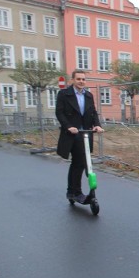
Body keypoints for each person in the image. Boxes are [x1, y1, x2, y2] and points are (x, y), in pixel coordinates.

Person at [55, 70, 103, 201]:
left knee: (79, 163)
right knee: (79, 163)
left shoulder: (88, 95)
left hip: (85, 134)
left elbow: (93, 112)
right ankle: (74, 192)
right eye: (78, 79)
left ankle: (73, 192)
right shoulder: (64, 94)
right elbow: (59, 113)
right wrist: (68, 126)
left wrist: (97, 125)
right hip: (72, 134)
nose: (81, 81)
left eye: (83, 79)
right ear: (72, 80)